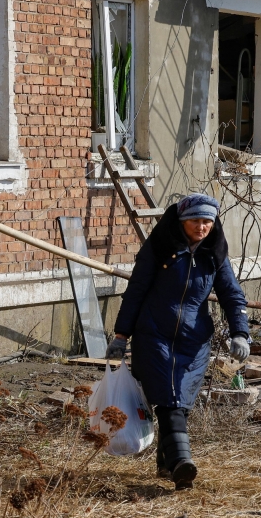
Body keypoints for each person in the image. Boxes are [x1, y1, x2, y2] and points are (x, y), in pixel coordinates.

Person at [105, 193, 249, 490]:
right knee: (168, 401)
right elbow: (136, 290)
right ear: (182, 220)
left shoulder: (215, 253)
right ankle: (182, 464)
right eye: (195, 220)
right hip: (154, 334)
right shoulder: (159, 247)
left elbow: (232, 294)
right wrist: (121, 335)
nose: (202, 227)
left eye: (207, 221)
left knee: (180, 404)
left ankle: (166, 464)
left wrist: (240, 332)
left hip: (193, 341)